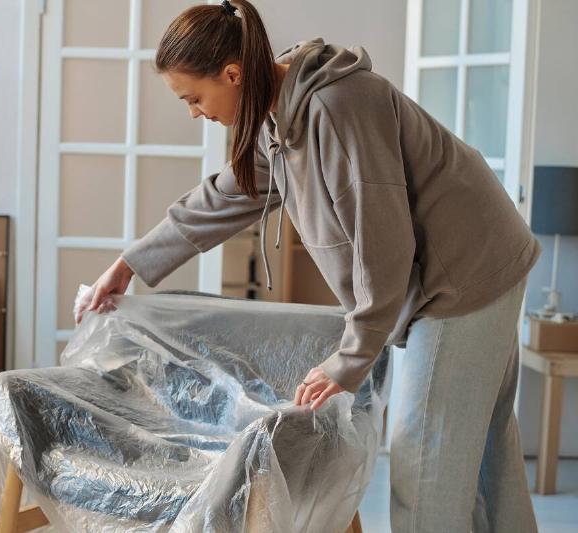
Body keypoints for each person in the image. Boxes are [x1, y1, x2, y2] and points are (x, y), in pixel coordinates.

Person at [78, 1, 541, 531]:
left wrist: (351, 357)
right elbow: (226, 196)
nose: (194, 112)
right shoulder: (276, 112)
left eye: (194, 98)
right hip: (479, 254)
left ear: (231, 74)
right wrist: (130, 261)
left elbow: (380, 243)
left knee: (425, 461)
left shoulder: (339, 108)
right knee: (484, 456)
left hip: (463, 275)